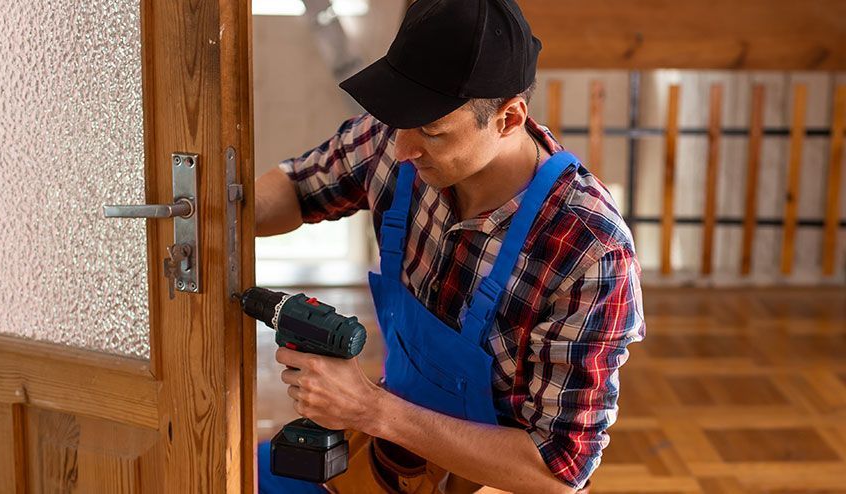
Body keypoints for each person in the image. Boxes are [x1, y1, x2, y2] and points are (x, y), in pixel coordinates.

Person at [254, 0, 645, 492]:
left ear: (508, 118)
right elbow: (298, 187)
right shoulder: (397, 141)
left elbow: (556, 470)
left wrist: (369, 409)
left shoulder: (589, 249)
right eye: (401, 122)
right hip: (396, 435)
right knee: (246, 475)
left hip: (496, 477)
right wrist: (213, 217)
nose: (402, 149)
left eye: (433, 133)